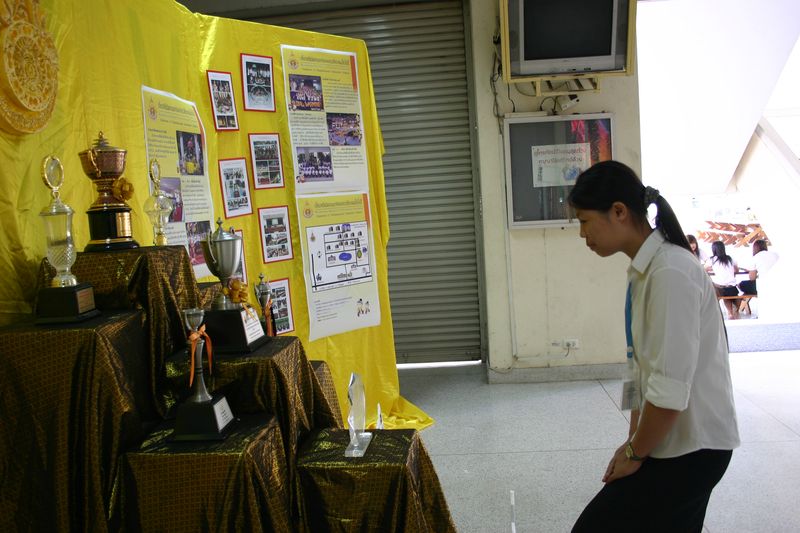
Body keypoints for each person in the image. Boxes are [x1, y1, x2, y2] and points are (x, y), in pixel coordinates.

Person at [568, 161, 740, 532]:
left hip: (694, 448)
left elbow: (669, 388)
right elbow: (638, 371)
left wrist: (635, 452)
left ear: (619, 211)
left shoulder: (670, 272)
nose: (582, 234)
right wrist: (632, 442)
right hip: (669, 442)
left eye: (584, 221)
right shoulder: (643, 271)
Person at [706, 241, 740, 319]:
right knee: (727, 291)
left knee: (715, 286)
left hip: (720, 289)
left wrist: (713, 268)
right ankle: (732, 312)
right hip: (732, 288)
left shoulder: (712, 259)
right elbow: (736, 270)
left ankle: (729, 313)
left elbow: (704, 269)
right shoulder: (730, 258)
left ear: (713, 249)